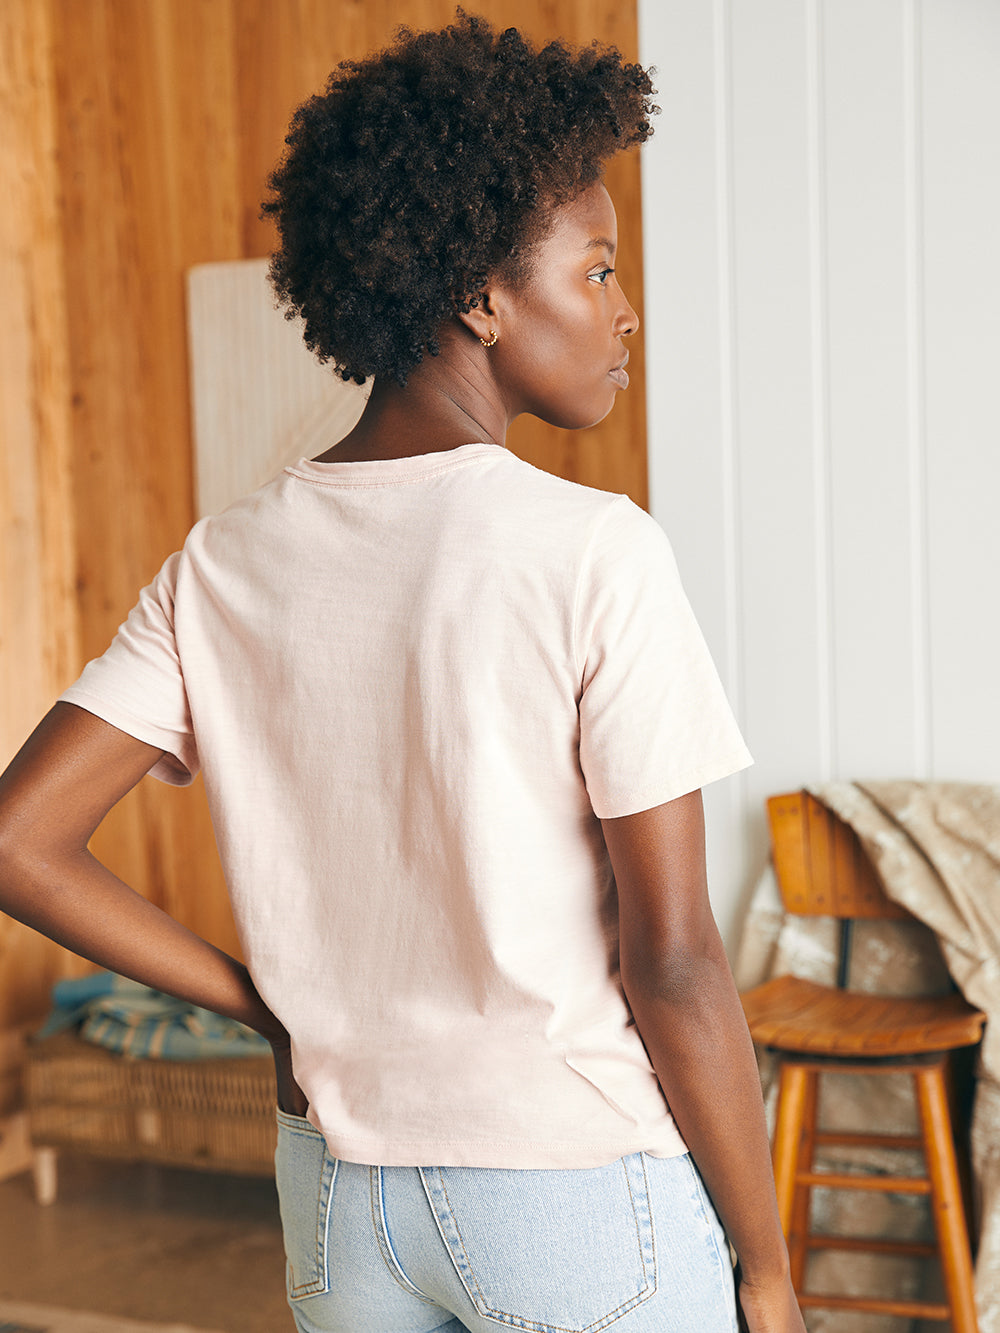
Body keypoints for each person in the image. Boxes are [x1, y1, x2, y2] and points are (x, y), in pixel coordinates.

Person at [0, 14, 805, 1333]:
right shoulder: (594, 551)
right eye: (595, 270)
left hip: (342, 1198)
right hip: (574, 1190)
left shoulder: (223, 560)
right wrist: (766, 1269)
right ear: (483, 296)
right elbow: (675, 962)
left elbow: (19, 838)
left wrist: (265, 1011)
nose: (625, 308)